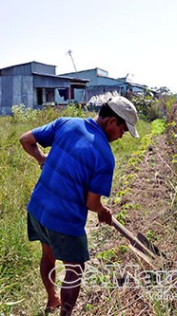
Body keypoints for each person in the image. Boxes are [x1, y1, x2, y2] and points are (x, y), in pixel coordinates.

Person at [19, 95, 139, 315]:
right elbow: (91, 203)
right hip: (64, 220)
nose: (121, 136)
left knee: (48, 255)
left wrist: (42, 159)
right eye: (123, 130)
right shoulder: (104, 156)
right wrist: (103, 211)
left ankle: (52, 299)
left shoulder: (66, 122)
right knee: (75, 269)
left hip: (38, 207)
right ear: (112, 121)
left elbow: (26, 140)